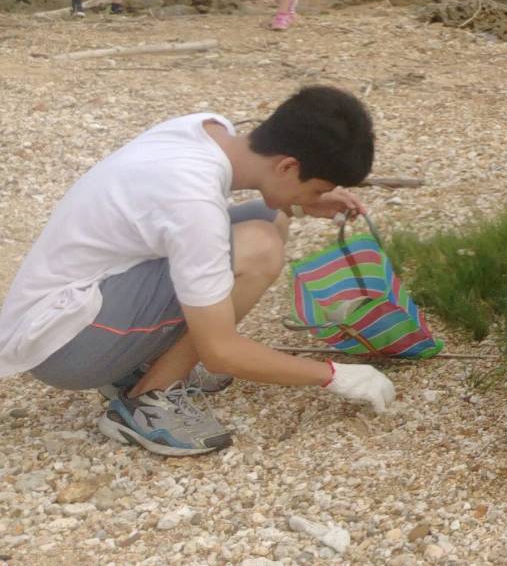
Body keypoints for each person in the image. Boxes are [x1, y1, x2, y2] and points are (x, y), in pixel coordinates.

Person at [0, 86, 398, 457]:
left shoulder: (206, 130)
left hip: (74, 304)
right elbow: (220, 352)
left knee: (269, 217)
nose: (317, 197)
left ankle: (147, 363)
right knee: (259, 249)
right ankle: (148, 400)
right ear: (289, 166)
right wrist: (333, 375)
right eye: (316, 189)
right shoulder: (192, 200)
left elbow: (203, 214)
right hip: (65, 345)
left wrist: (300, 200)